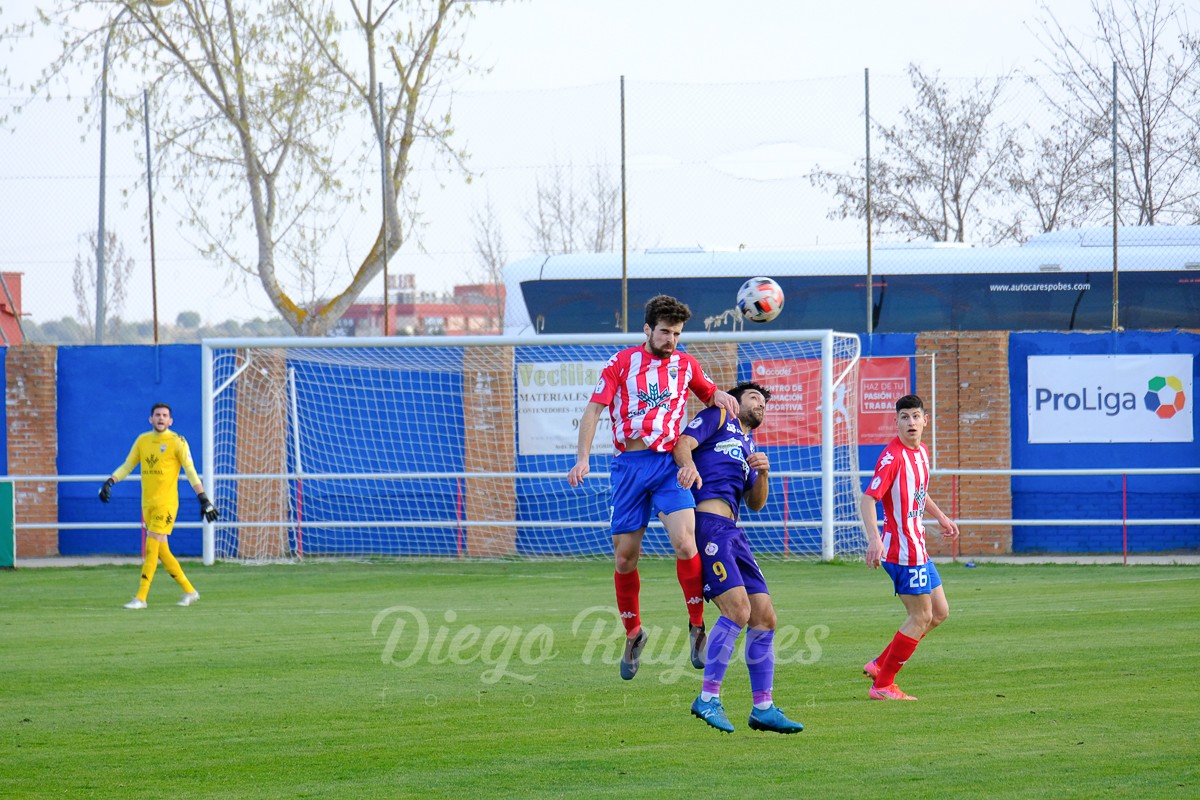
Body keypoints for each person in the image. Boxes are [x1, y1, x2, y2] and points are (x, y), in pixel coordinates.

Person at [568, 295, 739, 680]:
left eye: (677, 333)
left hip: (666, 466)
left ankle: (697, 626)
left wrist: (721, 397)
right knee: (625, 558)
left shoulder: (686, 364)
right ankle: (633, 632)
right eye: (664, 332)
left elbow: (712, 397)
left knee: (686, 543)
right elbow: (593, 410)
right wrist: (583, 458)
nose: (671, 340)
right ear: (647, 329)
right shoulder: (622, 363)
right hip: (629, 467)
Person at [672, 381, 804, 734]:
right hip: (708, 526)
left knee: (765, 617)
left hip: (734, 533)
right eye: (754, 398)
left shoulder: (749, 445)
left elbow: (756, 504)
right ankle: (708, 698)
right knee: (738, 611)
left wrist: (762, 472)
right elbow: (682, 443)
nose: (761, 405)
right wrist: (688, 467)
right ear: (736, 400)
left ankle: (763, 707)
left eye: (764, 402)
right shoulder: (718, 416)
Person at [859, 394, 959, 700]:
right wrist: (874, 539)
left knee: (939, 613)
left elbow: (918, 493)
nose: (911, 422)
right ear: (896, 422)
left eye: (916, 416)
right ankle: (883, 685)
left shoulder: (922, 453)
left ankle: (879, 665)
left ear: (925, 421)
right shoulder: (893, 457)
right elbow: (868, 499)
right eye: (905, 417)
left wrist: (941, 517)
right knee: (920, 617)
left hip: (918, 546)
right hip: (901, 550)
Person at [99, 402, 219, 609]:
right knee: (162, 550)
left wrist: (204, 498)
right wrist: (110, 481)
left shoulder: (177, 442)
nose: (161, 418)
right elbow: (128, 465)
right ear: (151, 419)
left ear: (170, 420)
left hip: (166, 504)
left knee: (151, 545)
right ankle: (190, 591)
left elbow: (190, 470)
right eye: (157, 415)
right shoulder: (143, 440)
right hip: (148, 504)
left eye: (165, 415)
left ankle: (141, 598)